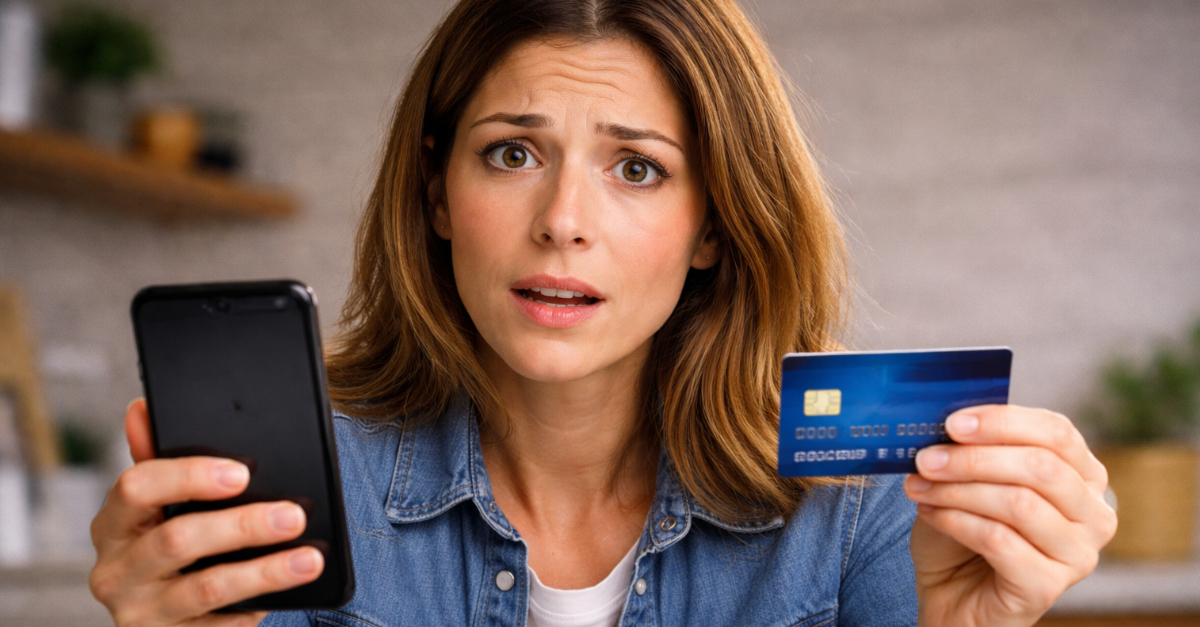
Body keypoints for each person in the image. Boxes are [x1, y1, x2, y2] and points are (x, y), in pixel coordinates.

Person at [88, 0, 1117, 625]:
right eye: (512, 153)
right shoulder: (299, 493)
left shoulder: (856, 508)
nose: (563, 221)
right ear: (438, 192)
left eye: (637, 167)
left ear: (713, 225)